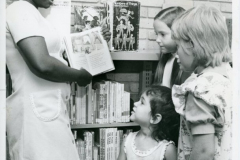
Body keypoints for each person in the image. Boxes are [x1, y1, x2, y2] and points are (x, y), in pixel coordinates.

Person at [6, 0, 111, 160]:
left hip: (47, 110)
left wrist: (96, 38)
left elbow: (57, 59)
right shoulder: (20, 9)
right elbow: (42, 64)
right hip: (35, 117)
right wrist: (78, 76)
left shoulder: (34, 14)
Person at [171, 5, 232, 160]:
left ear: (191, 44)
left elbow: (204, 152)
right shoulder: (230, 77)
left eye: (177, 46)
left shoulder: (200, 91)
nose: (175, 53)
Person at [118, 85, 179, 160]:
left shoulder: (167, 149)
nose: (135, 103)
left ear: (155, 118)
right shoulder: (127, 141)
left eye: (142, 102)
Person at [153, 7, 191, 88]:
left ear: (178, 33)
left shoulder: (186, 67)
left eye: (162, 34)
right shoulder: (168, 58)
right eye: (157, 34)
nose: (157, 40)